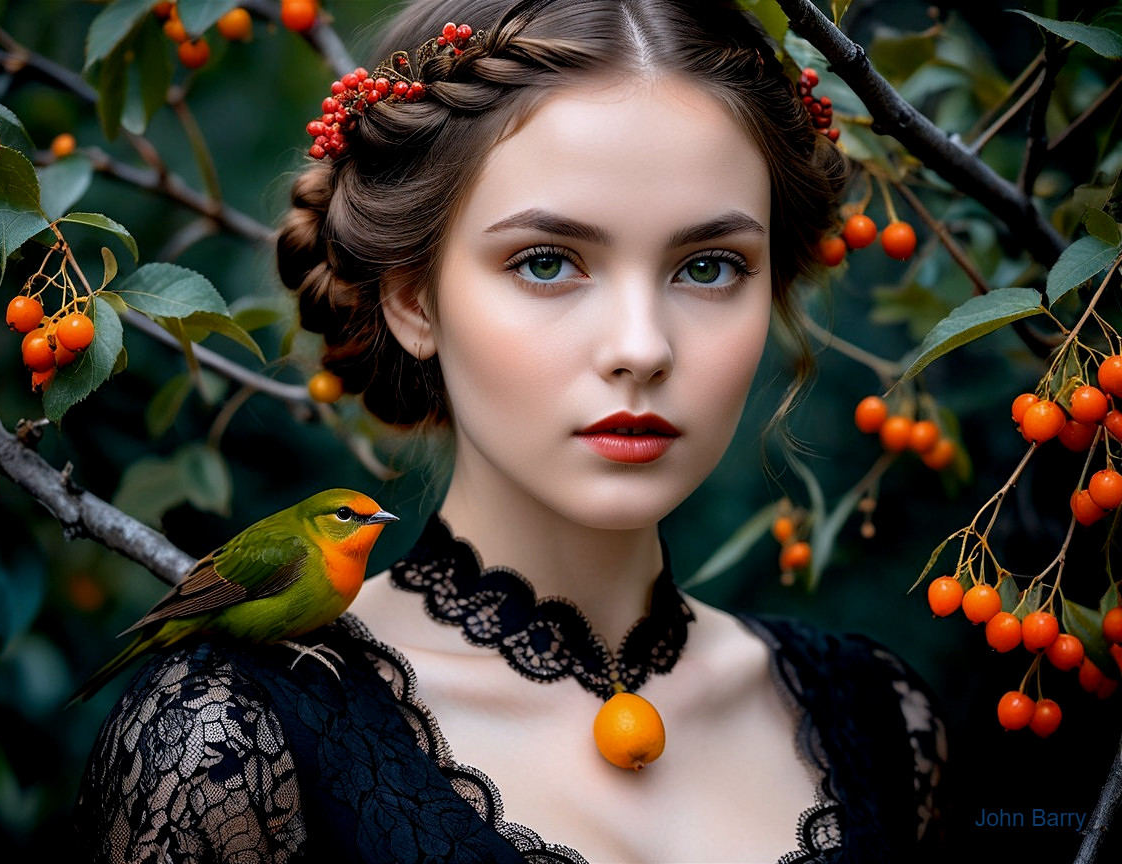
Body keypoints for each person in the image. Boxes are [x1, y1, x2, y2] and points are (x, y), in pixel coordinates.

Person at [73, 0, 949, 861]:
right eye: (545, 262)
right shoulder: (227, 740)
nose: (640, 349)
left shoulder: (878, 718)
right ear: (413, 300)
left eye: (710, 266)